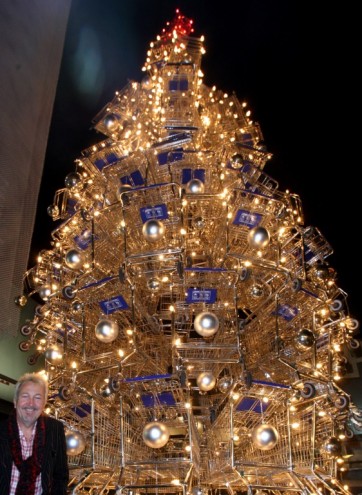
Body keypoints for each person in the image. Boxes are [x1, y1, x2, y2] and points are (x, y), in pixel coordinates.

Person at [0, 372, 69, 494]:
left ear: (44, 404)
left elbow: (60, 476)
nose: (31, 403)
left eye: (37, 397)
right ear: (15, 401)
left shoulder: (55, 429)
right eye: (25, 396)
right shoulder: (1, 430)